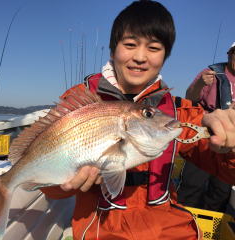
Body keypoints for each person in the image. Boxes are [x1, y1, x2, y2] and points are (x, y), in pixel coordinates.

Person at [41, 1, 235, 239]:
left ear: (165, 57)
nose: (141, 57)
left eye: (154, 48)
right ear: (113, 51)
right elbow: (47, 179)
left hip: (169, 227)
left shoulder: (177, 112)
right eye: (130, 44)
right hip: (102, 228)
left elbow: (223, 167)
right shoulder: (79, 101)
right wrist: (62, 181)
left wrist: (229, 144)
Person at [177, 42, 235, 212]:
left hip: (229, 139)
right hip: (204, 134)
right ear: (229, 54)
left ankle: (210, 226)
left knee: (221, 190)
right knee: (192, 184)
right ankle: (186, 218)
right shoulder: (210, 72)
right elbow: (190, 97)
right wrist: (201, 84)